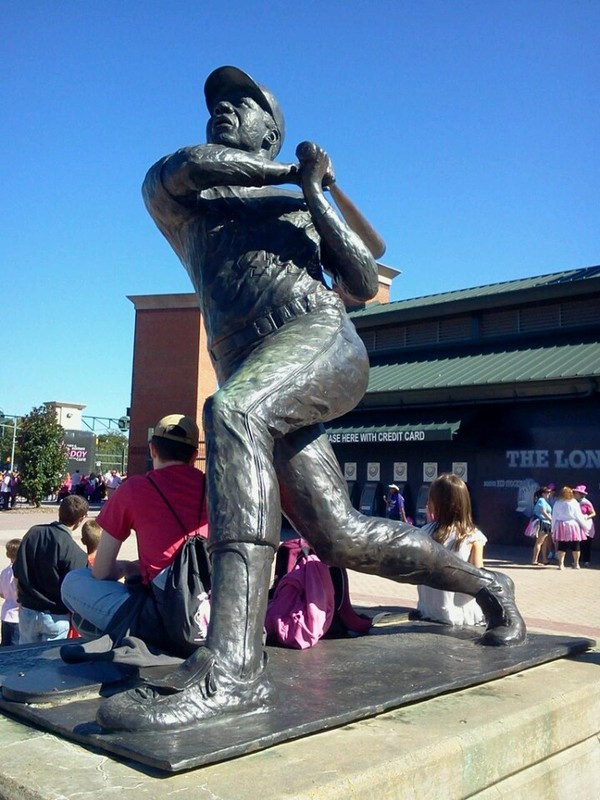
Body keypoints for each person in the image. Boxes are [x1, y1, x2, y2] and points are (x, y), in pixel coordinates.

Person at [95, 65, 525, 733]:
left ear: (272, 131)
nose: (226, 112)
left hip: (320, 342)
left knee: (231, 412)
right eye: (219, 104)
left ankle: (233, 669)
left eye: (244, 105)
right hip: (263, 371)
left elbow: (358, 278)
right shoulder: (185, 203)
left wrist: (315, 195)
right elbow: (187, 164)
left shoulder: (297, 207)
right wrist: (289, 175)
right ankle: (491, 587)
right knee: (341, 535)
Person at [61, 414, 208, 643]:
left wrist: (127, 567)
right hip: (211, 611)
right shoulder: (215, 489)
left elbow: (101, 570)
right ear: (194, 455)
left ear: (153, 450)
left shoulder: (135, 488)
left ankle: (120, 636)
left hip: (161, 619)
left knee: (73, 582)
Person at [13, 495, 88, 643]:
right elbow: (75, 592)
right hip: (55, 616)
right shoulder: (75, 552)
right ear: (81, 518)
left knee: (25, 661)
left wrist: (19, 597)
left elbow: (17, 571)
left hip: (28, 610)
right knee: (49, 662)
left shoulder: (33, 533)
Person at [415, 474, 487, 626]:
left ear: (436, 503)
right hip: (459, 611)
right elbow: (479, 575)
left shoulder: (423, 532)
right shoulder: (472, 536)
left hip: (429, 609)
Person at [551, 486, 589, 570]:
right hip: (573, 525)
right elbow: (578, 516)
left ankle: (561, 565)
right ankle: (576, 564)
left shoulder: (557, 502)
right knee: (575, 545)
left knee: (561, 545)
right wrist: (585, 526)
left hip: (561, 525)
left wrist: (552, 529)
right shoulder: (574, 502)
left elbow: (554, 516)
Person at [0, 539, 22, 646]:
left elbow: (1, 592)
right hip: (17, 616)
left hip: (6, 613)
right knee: (16, 648)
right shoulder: (19, 571)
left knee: (5, 646)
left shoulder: (4, 572)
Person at [573, 485, 595, 566]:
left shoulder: (586, 502)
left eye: (576, 493)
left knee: (587, 543)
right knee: (579, 543)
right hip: (578, 525)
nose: (574, 494)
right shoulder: (574, 502)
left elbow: (593, 513)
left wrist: (586, 517)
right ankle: (579, 560)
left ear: (580, 494)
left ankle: (587, 560)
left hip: (587, 525)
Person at [531, 486, 553, 566]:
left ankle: (544, 559)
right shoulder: (541, 500)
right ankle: (534, 560)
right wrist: (551, 519)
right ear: (543, 493)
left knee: (545, 543)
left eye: (549, 492)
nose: (549, 494)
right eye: (548, 492)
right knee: (539, 542)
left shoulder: (545, 501)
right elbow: (543, 512)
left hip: (547, 523)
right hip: (542, 523)